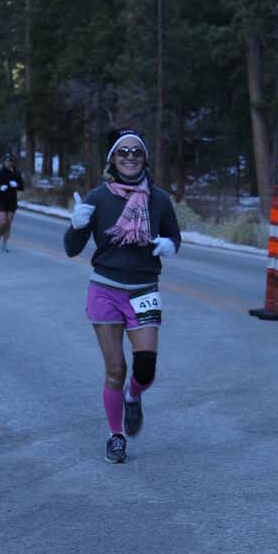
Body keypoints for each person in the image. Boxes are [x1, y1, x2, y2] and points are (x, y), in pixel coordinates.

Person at [63, 128, 182, 463]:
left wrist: (170, 245)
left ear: (145, 158)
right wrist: (76, 225)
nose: (130, 157)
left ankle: (133, 395)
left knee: (145, 369)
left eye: (137, 152)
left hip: (144, 289)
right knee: (115, 368)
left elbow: (175, 236)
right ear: (112, 159)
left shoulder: (159, 199)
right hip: (105, 289)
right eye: (123, 152)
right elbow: (71, 248)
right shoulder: (97, 197)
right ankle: (115, 436)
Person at [0, 152, 25, 253]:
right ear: (4, 162)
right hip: (1, 200)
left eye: (10, 161)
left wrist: (16, 185)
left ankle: (4, 244)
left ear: (13, 163)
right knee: (3, 222)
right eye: (7, 161)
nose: (8, 163)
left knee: (8, 223)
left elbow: (22, 187)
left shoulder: (16, 173)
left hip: (12, 201)